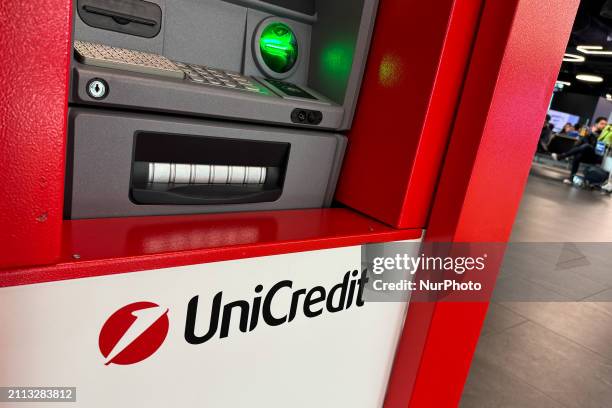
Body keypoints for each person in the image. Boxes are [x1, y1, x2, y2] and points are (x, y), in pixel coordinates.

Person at [552, 116, 608, 184]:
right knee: (579, 154)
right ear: (596, 124)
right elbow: (581, 141)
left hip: (596, 156)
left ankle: (562, 156)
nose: (604, 126)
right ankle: (571, 178)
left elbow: (599, 149)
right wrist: (590, 134)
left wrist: (594, 136)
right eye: (602, 123)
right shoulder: (587, 130)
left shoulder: (605, 134)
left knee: (586, 147)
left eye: (605, 124)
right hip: (585, 153)